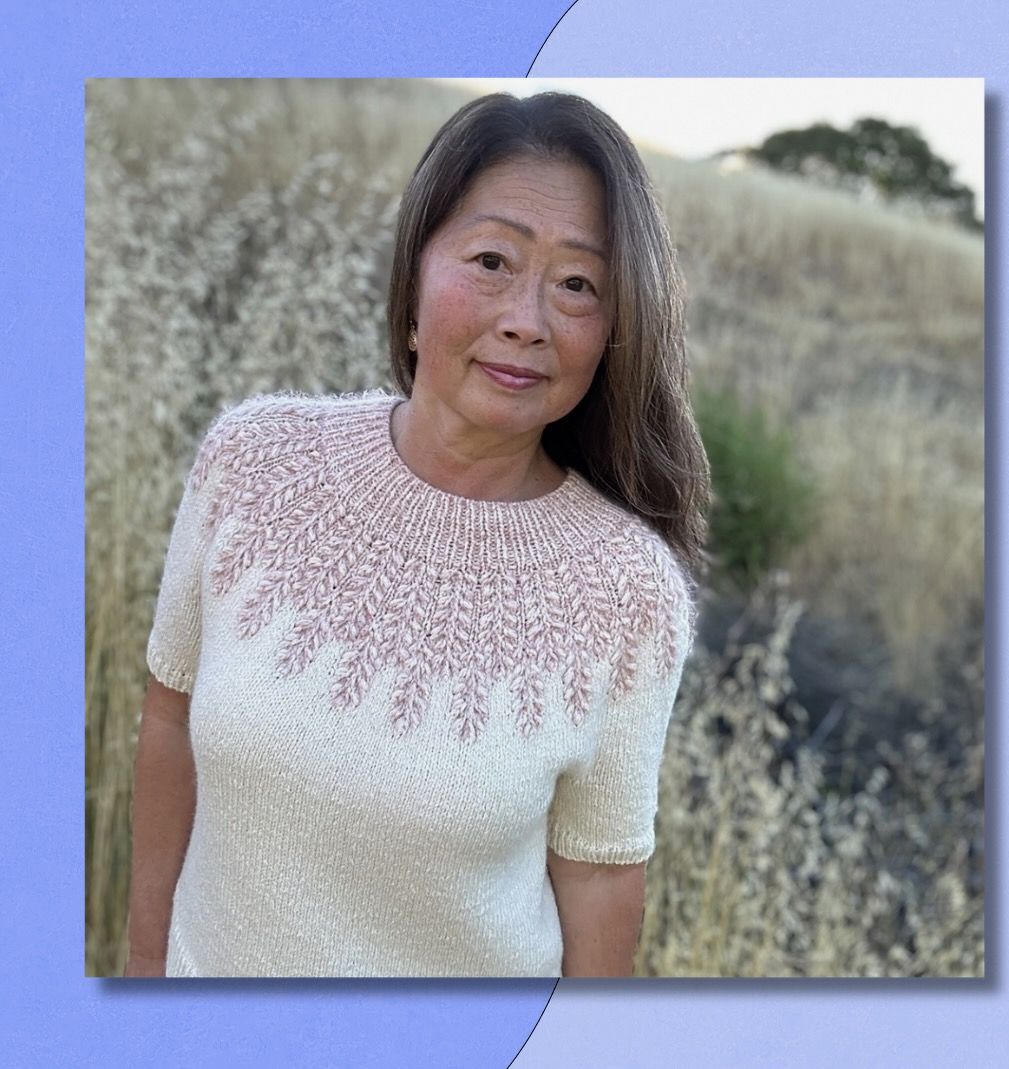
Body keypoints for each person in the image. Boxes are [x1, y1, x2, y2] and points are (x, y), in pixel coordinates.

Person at [124, 90, 711, 979]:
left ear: (614, 333)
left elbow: (598, 884)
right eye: (491, 260)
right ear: (413, 278)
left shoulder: (626, 592)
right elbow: (168, 719)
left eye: (578, 285)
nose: (527, 317)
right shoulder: (252, 462)